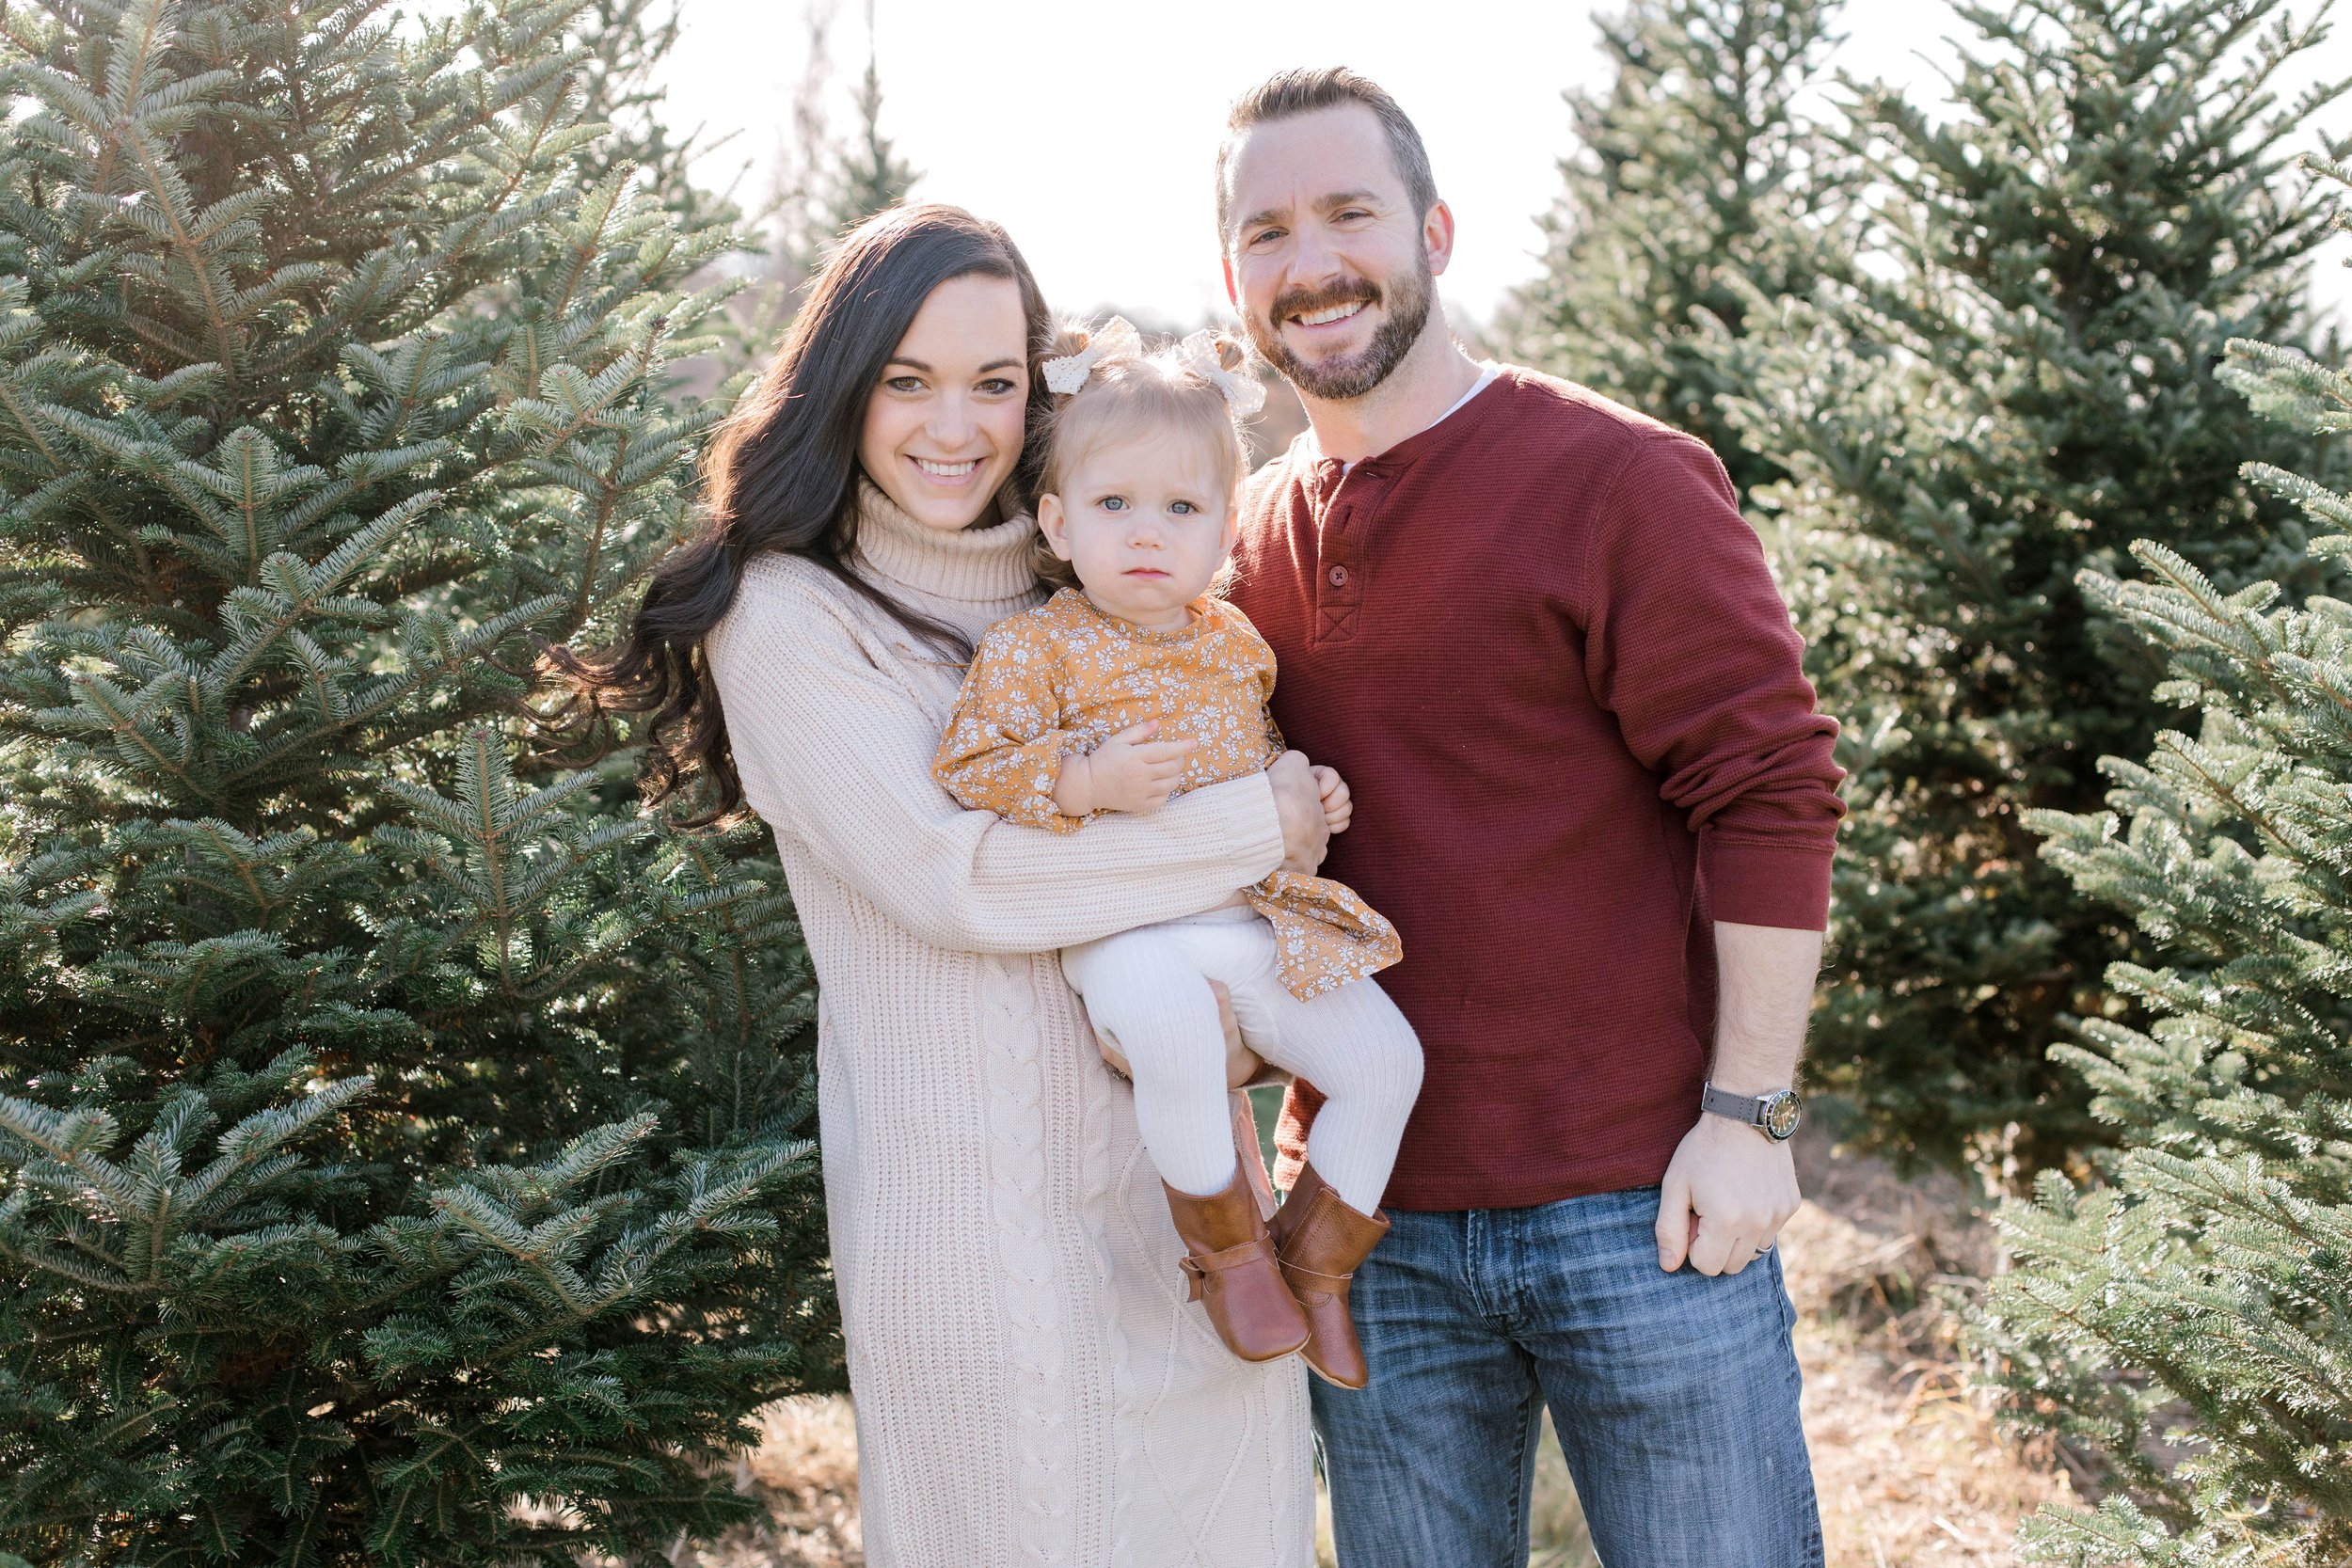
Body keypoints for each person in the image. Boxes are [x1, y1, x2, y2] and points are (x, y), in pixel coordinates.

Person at [555, 205, 1327, 1567]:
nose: (952, 424)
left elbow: (1219, 876)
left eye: (993, 381)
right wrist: (1245, 826)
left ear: (1040, 396)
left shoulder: (1094, 579)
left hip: (1186, 1205)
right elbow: (960, 877)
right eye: (907, 379)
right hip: (977, 1226)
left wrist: (1254, 986)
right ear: (844, 387)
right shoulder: (788, 616)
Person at [1215, 69, 1847, 1568]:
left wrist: (1750, 1115)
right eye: (1267, 230)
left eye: (1350, 213)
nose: (1312, 263)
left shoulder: (1616, 478)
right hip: (1368, 1218)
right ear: (1233, 274)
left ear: (1433, 228)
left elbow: (1771, 786)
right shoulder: (1227, 536)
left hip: (1642, 1207)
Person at [931, 317, 1423, 1386]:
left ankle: (1318, 1263)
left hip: (1248, 919)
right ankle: (1229, 1252)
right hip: (1127, 930)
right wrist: (1078, 778)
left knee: (1388, 1061)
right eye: (1114, 505)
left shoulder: (1234, 641)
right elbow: (971, 764)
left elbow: (1262, 753)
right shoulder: (1036, 644)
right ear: (1057, 523)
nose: (1146, 532)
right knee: (1172, 1032)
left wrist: (1312, 791)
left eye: (1181, 508)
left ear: (1221, 537)